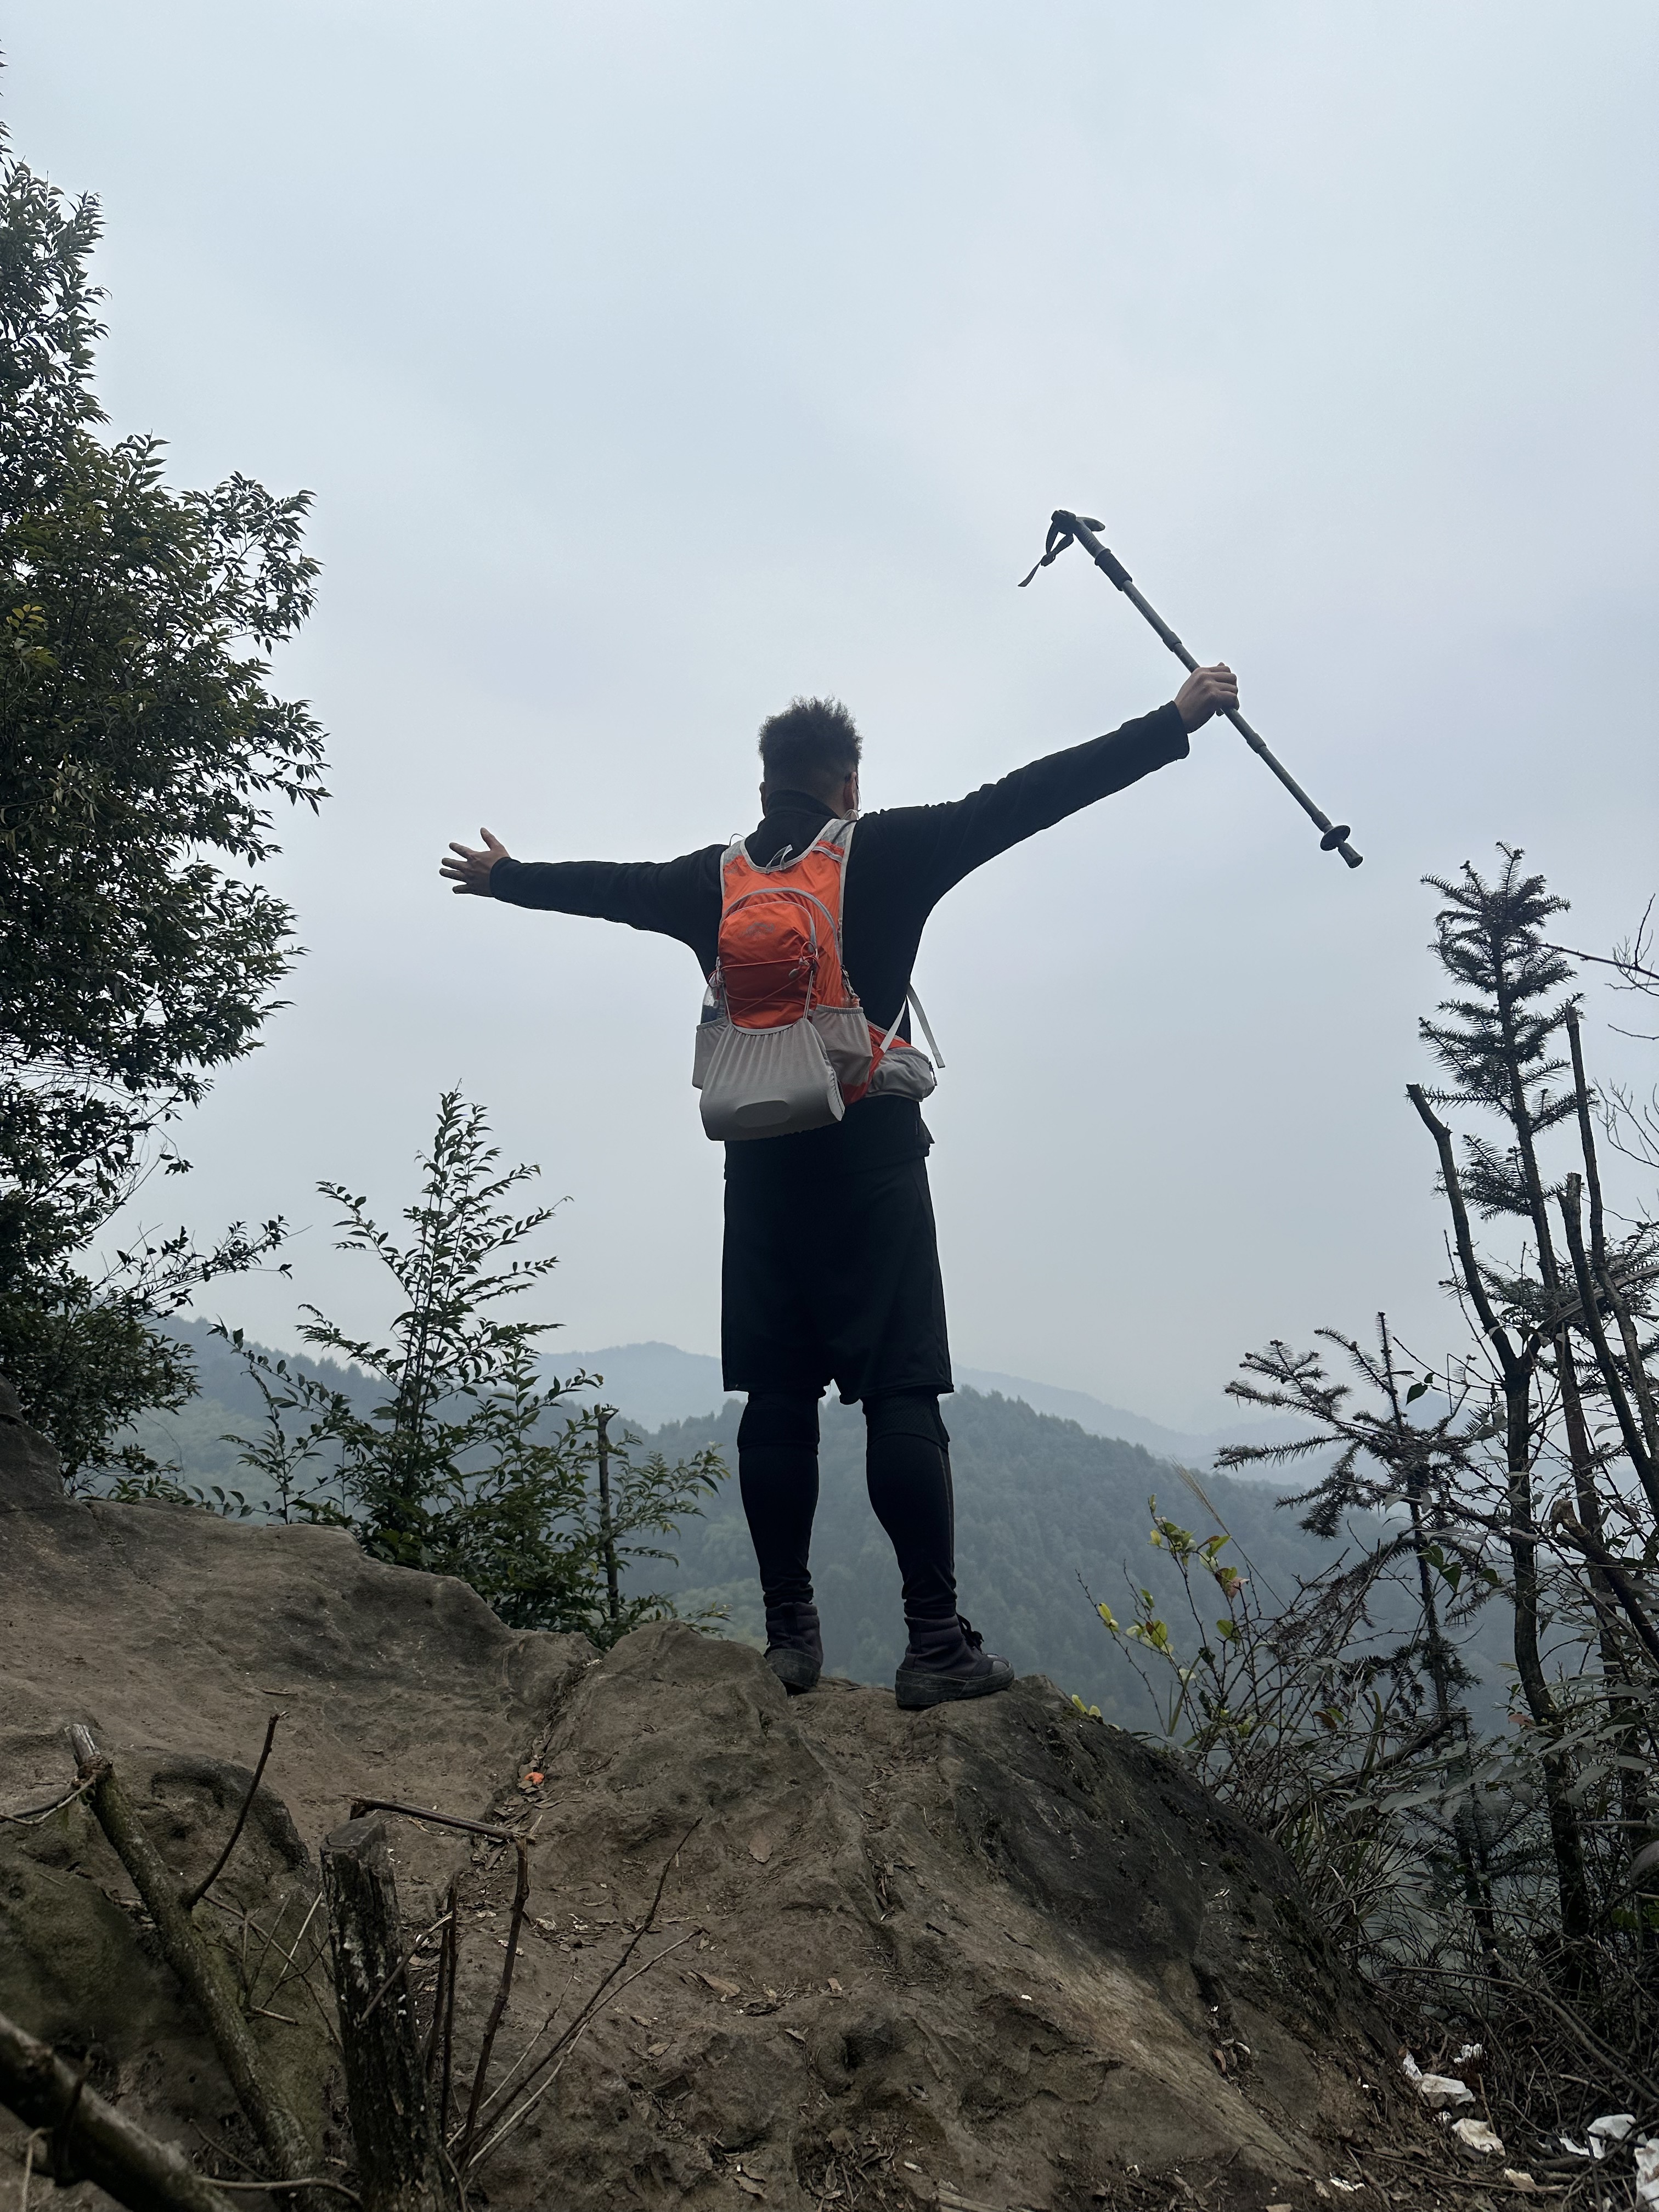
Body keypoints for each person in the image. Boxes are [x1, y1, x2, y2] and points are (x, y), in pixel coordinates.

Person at [442, 662, 1239, 1706]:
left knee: (778, 1396)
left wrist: (508, 876)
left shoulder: (712, 880)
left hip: (761, 1160)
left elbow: (609, 887)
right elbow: (1032, 796)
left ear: (765, 784)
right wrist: (1173, 722)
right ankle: (933, 1643)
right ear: (848, 784)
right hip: (870, 1153)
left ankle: (790, 1639)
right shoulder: (891, 849)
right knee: (899, 1390)